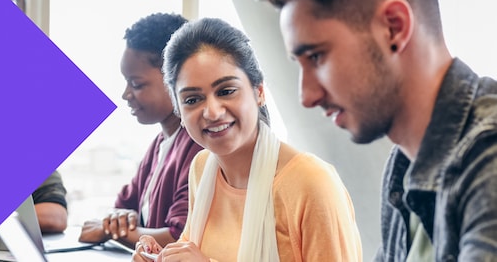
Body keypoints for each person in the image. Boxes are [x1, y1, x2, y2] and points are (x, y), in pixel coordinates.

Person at [259, 0, 497, 260]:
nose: (307, 96)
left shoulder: (488, 159)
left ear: (393, 28)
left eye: (317, 57)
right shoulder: (401, 165)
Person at [133, 18, 362, 262]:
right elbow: (195, 252)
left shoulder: (311, 182)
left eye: (226, 91)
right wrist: (161, 257)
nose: (212, 112)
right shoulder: (202, 169)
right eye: (192, 99)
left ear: (259, 92)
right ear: (178, 110)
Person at [79, 13, 204, 248]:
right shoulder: (159, 144)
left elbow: (178, 237)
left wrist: (109, 230)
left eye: (136, 84)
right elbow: (122, 210)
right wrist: (116, 223)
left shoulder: (198, 146)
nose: (126, 94)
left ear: (174, 78)